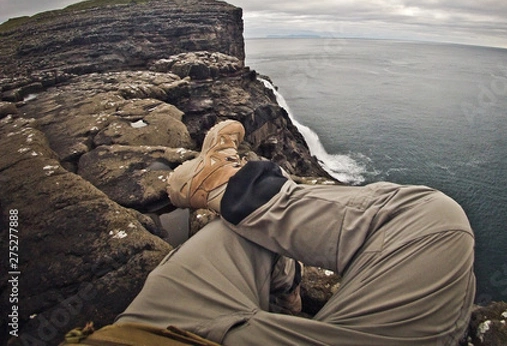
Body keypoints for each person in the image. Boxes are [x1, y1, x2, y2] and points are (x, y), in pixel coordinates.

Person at [67, 120, 476, 346]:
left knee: (243, 230)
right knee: (436, 217)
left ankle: (281, 278)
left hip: (142, 334)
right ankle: (225, 186)